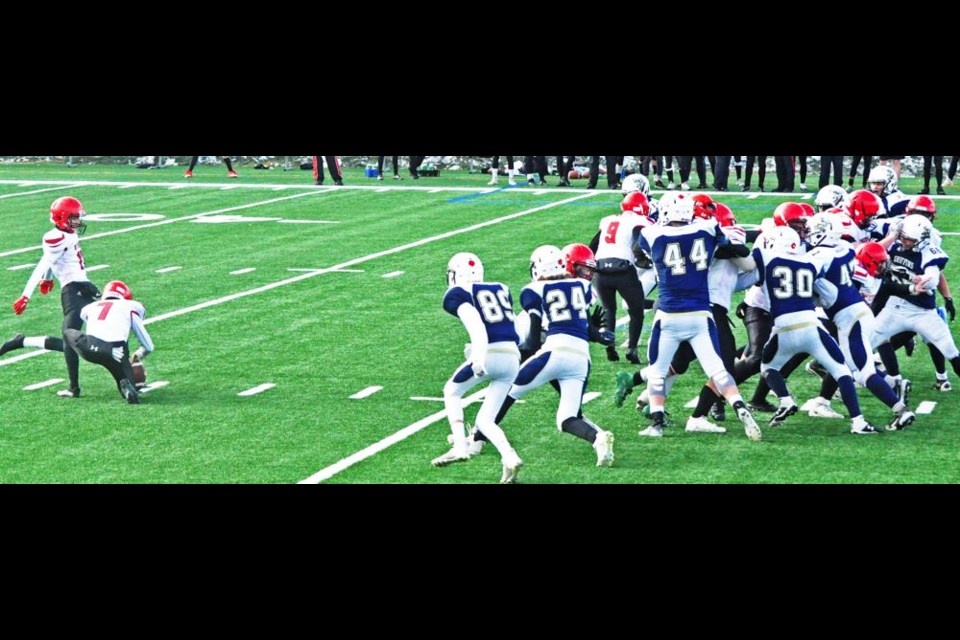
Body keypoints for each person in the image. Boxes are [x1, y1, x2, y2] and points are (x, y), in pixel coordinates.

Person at [635, 192, 761, 440]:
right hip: (702, 312)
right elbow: (737, 252)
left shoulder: (651, 234)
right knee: (719, 368)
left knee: (659, 368)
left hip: (669, 311)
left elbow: (641, 246)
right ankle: (738, 405)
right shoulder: (708, 229)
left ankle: (657, 423)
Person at [493, 244, 617, 467]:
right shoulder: (581, 286)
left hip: (552, 352)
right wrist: (599, 335)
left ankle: (477, 439)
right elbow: (584, 326)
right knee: (567, 417)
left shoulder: (534, 291)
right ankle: (597, 438)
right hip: (581, 359)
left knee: (507, 390)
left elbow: (530, 342)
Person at [434, 253, 524, 483]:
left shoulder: (459, 293)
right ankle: (510, 456)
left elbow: (475, 323)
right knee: (485, 420)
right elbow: (515, 329)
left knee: (451, 391)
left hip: (489, 352)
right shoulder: (500, 288)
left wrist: (478, 356)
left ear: (456, 274)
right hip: (513, 356)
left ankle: (460, 446)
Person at [10, 197, 101, 397]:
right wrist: (27, 294)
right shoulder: (56, 237)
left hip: (80, 289)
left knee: (74, 341)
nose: (77, 221)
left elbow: (52, 261)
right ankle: (73, 387)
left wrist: (48, 279)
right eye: (74, 217)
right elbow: (44, 263)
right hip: (77, 291)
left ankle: (21, 342)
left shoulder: (67, 234)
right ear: (61, 217)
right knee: (72, 341)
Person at [62, 280, 154, 405]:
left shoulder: (90, 307)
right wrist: (137, 355)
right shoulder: (131, 306)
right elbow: (148, 345)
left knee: (68, 332)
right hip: (117, 352)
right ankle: (126, 389)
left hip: (91, 347)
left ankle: (73, 387)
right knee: (128, 385)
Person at [590, 192, 653, 364]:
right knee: (636, 309)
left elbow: (593, 245)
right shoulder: (639, 221)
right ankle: (632, 350)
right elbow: (642, 243)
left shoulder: (608, 220)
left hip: (600, 269)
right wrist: (646, 259)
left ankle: (609, 346)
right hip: (623, 270)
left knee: (609, 309)